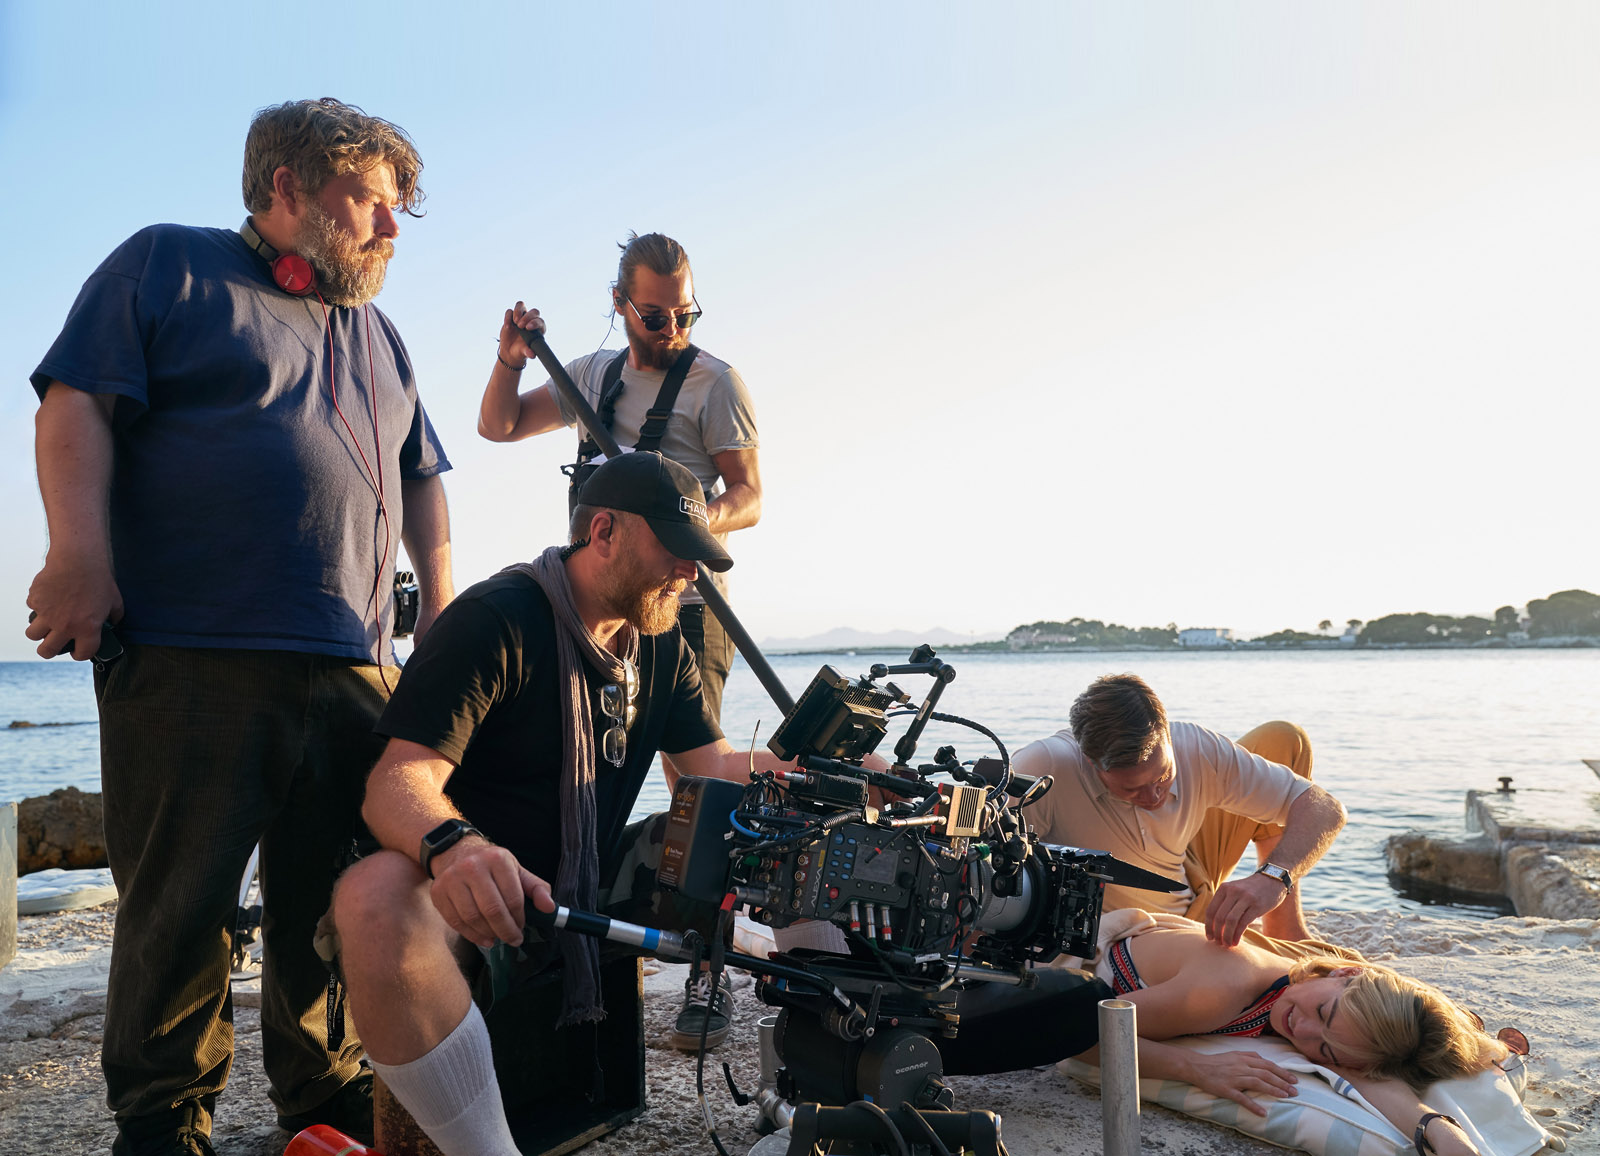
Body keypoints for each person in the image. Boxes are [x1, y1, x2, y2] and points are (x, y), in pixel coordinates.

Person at [23, 98, 453, 1156]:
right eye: (373, 204)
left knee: (334, 900)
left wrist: (440, 608)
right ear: (289, 187)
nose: (392, 230)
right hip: (187, 654)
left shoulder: (381, 335)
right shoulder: (167, 265)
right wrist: (77, 555)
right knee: (181, 906)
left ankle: (323, 1103)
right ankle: (166, 1124)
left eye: (402, 212)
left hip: (355, 671)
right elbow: (73, 402)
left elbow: (424, 479)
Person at [327, 452, 794, 1156]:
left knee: (797, 823)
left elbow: (717, 770)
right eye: (674, 548)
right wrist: (459, 846)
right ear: (603, 531)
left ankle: (829, 1100)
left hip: (589, 880)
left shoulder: (664, 646)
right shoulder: (496, 620)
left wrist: (824, 769)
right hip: (483, 892)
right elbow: (395, 784)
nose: (689, 572)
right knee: (373, 896)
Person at [476, 231, 760, 745]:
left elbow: (750, 497)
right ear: (619, 304)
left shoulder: (716, 384)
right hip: (599, 609)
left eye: (684, 314)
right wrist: (511, 360)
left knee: (693, 781)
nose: (671, 329)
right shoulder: (588, 377)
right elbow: (499, 426)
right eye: (654, 317)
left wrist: (683, 522)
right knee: (580, 755)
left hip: (687, 608)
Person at [1070, 913, 1508, 1156]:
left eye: (1323, 1048)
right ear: (1347, 972)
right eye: (1322, 1012)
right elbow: (1080, 1034)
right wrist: (1195, 1068)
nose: (1303, 1031)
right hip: (1093, 960)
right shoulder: (1221, 991)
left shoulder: (1322, 996)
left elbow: (1367, 1078)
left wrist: (1439, 1130)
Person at [1015, 674, 1348, 953]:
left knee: (1284, 738)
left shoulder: (1195, 746)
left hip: (1190, 867)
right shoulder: (1045, 766)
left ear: (1166, 734)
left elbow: (1326, 809)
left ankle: (1285, 927)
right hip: (1155, 931)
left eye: (1162, 777)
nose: (1154, 796)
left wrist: (1272, 878)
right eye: (1131, 790)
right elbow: (976, 863)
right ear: (1090, 761)